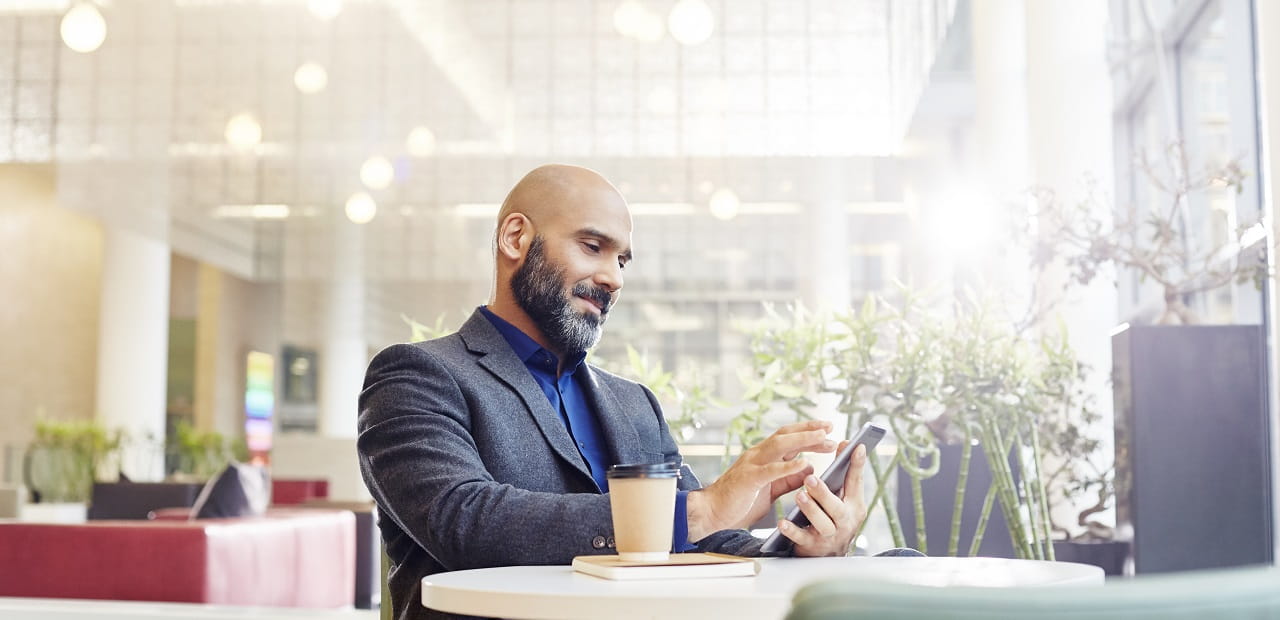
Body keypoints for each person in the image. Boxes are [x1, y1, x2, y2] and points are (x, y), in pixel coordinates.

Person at [357, 164, 870, 620]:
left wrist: (801, 545)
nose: (612, 278)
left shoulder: (633, 405)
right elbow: (465, 521)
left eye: (622, 260)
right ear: (515, 238)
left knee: (896, 576)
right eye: (592, 246)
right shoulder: (417, 376)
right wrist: (700, 507)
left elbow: (702, 540)